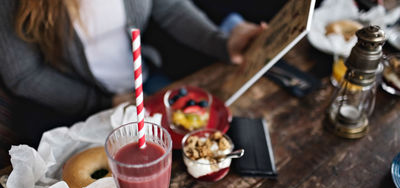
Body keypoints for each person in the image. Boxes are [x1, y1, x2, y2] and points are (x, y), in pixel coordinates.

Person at [0, 0, 265, 148]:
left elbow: (169, 8)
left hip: (142, 83)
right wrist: (104, 103)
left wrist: (221, 42)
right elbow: (23, 75)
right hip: (73, 105)